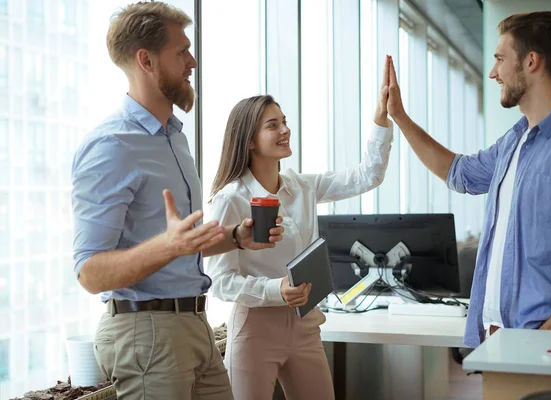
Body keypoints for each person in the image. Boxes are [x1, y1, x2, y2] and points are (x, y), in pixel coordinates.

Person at [70, 2, 284, 399]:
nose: (193, 62)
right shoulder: (110, 145)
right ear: (146, 60)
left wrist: (236, 236)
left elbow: (183, 245)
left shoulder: (175, 138)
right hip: (147, 334)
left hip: (193, 323)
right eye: (181, 51)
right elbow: (89, 272)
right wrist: (166, 246)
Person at [385, 10, 551, 348]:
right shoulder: (513, 143)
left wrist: (541, 340)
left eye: (500, 59)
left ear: (531, 62)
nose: (492, 72)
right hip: (498, 339)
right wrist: (399, 116)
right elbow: (458, 172)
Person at [205, 57, 395, 399]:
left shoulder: (302, 187)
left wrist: (381, 118)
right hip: (255, 329)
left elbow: (368, 175)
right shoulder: (230, 199)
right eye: (272, 125)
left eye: (285, 122)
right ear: (249, 140)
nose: (284, 130)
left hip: (306, 323)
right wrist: (275, 289)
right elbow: (220, 282)